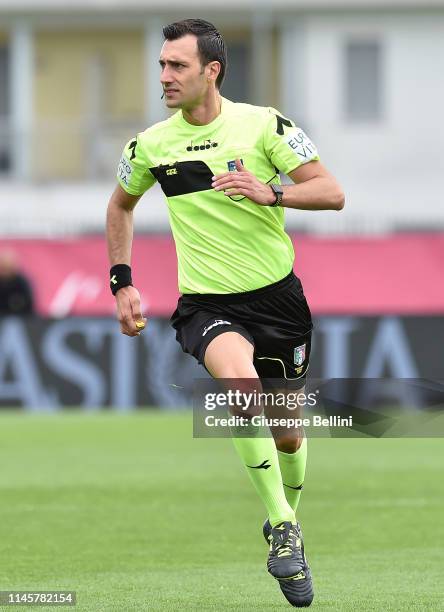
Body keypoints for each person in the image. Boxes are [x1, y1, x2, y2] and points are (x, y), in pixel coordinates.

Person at [106, 18, 344, 608]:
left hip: (279, 300)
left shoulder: (266, 125)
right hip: (207, 303)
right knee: (241, 388)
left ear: (212, 70)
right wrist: (122, 282)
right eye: (162, 64)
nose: (164, 76)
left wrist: (275, 192)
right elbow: (120, 205)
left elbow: (332, 191)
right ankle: (282, 526)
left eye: (177, 66)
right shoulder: (150, 145)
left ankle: (287, 516)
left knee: (287, 430)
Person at [0, 249, 35, 316]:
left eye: (6, 268)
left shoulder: (21, 283)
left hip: (17, 316)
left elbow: (28, 304)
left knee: (12, 325)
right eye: (2, 268)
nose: (4, 271)